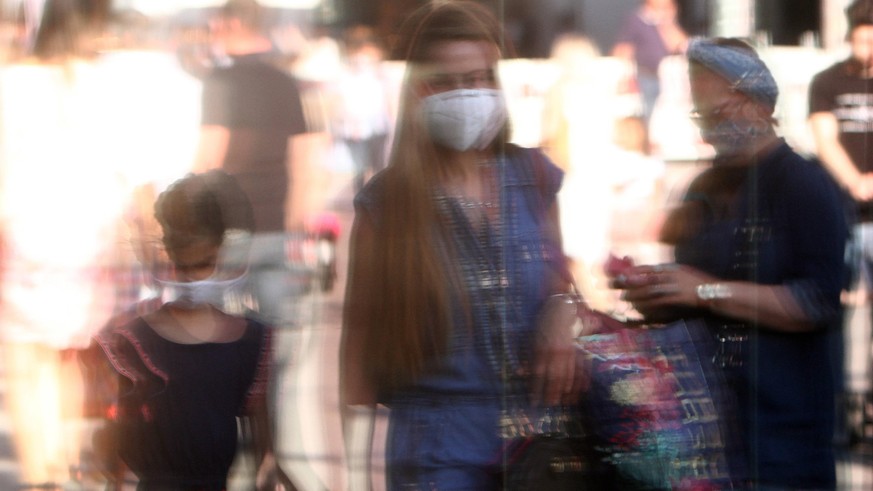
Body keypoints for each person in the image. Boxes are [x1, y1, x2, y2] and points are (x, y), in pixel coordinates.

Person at [339, 2, 582, 489]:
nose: (465, 94)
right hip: (435, 454)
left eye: (478, 78)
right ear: (416, 92)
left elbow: (562, 280)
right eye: (444, 82)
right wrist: (354, 475)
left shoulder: (533, 178)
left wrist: (562, 308)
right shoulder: (386, 206)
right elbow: (357, 365)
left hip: (540, 448)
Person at [614, 37, 848, 489]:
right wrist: (656, 291)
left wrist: (704, 290)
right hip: (706, 435)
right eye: (701, 116)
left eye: (717, 113)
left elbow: (817, 303)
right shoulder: (701, 185)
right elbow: (694, 295)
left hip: (783, 442)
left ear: (757, 102)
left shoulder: (804, 185)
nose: (707, 131)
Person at [81, 171, 296, 491]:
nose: (194, 279)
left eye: (204, 264)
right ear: (168, 254)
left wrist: (272, 470)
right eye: (184, 266)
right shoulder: (132, 345)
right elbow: (114, 457)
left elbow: (266, 456)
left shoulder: (247, 344)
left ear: (221, 252)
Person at [194, 0, 309, 329]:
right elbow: (303, 152)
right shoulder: (285, 81)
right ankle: (271, 382)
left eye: (216, 25)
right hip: (275, 222)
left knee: (215, 330)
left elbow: (211, 153)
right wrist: (297, 215)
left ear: (231, 26)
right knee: (275, 332)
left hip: (227, 224)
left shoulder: (220, 81)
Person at [809, 0, 873, 444]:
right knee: (844, 314)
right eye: (862, 37)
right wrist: (856, 181)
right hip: (845, 215)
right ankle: (845, 409)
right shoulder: (827, 81)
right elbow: (823, 137)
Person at [329, 25, 391, 193]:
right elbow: (343, 101)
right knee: (363, 169)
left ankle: (372, 200)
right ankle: (367, 201)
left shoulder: (375, 69)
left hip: (375, 125)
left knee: (372, 167)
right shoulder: (351, 71)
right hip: (358, 127)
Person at [612, 0, 688, 133]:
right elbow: (623, 49)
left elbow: (681, 46)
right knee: (647, 115)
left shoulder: (666, 24)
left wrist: (667, 23)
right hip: (645, 77)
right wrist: (623, 75)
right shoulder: (636, 20)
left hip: (667, 81)